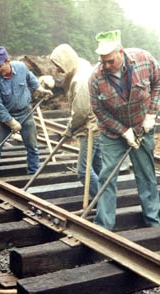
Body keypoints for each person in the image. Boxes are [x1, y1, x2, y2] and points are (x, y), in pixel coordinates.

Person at [88, 30, 160, 230]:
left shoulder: (143, 60)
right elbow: (99, 111)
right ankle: (104, 226)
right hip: (112, 133)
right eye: (102, 61)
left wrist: (151, 115)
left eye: (110, 61)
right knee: (107, 176)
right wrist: (123, 131)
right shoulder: (96, 78)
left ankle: (153, 221)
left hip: (142, 127)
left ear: (120, 52)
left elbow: (159, 82)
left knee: (146, 174)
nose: (106, 65)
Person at [0, 46, 53, 177]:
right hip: (6, 117)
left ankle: (33, 173)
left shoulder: (21, 67)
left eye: (0, 66)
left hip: (25, 112)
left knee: (32, 145)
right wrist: (11, 122)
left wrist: (40, 89)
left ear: (7, 61)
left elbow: (31, 78)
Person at [49, 43, 102, 198]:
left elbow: (81, 112)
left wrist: (70, 129)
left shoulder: (80, 80)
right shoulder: (81, 64)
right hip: (98, 125)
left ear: (66, 61)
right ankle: (106, 198)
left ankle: (103, 202)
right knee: (98, 166)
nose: (58, 70)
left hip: (90, 129)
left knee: (83, 171)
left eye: (59, 66)